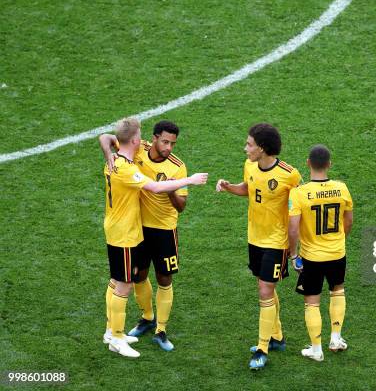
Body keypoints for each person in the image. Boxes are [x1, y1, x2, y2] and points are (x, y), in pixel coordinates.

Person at [102, 118, 207, 358]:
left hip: (161, 229)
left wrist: (174, 188)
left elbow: (181, 206)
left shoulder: (175, 166)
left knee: (161, 276)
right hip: (132, 229)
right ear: (151, 138)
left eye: (173, 143)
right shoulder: (133, 155)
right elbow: (153, 188)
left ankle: (160, 329)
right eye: (165, 141)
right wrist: (190, 181)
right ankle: (137, 323)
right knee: (129, 278)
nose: (169, 147)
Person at [216, 123, 301, 371]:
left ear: (262, 149)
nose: (246, 148)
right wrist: (229, 187)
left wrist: (296, 248)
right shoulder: (250, 166)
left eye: (249, 144)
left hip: (277, 242)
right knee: (265, 289)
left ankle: (262, 348)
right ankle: (277, 337)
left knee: (265, 290)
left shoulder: (289, 175)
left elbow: (300, 208)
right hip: (254, 237)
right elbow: (249, 188)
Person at [288, 145, 353, 362]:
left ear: (308, 163)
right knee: (337, 292)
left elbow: (294, 229)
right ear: (329, 164)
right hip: (337, 252)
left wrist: (293, 255)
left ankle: (316, 349)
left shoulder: (299, 193)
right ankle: (336, 338)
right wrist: (339, 240)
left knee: (312, 302)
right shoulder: (342, 188)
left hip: (312, 257)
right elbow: (349, 220)